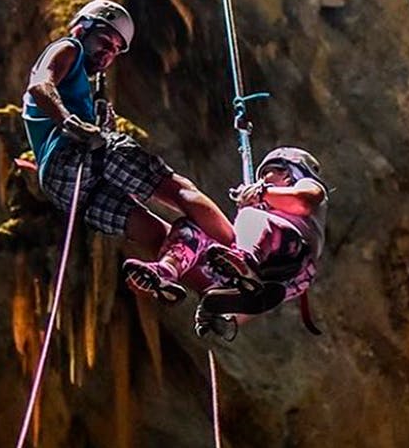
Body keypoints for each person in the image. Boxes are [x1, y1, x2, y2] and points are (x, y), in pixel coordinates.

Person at [22, 0, 234, 272]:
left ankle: (189, 280)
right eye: (104, 42)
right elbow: (40, 84)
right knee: (179, 190)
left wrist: (100, 124)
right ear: (81, 29)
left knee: (158, 234)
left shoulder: (81, 92)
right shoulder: (68, 47)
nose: (108, 54)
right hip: (76, 154)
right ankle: (242, 252)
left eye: (115, 50)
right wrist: (72, 123)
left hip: (60, 184)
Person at [123, 146, 328, 341]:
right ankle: (168, 271)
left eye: (268, 174)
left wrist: (261, 194)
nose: (263, 180)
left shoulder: (305, 185)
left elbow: (305, 200)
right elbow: (259, 302)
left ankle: (245, 263)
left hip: (292, 250)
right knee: (192, 229)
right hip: (274, 277)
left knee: (249, 216)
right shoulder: (263, 213)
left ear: (288, 173)